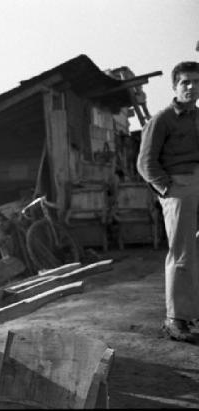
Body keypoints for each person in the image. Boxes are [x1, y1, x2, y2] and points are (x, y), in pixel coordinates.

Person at [137, 61, 199, 343]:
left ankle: (192, 313)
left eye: (196, 82)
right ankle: (176, 319)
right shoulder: (162, 120)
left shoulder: (198, 117)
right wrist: (168, 189)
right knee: (182, 253)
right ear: (175, 86)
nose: (191, 87)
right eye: (185, 82)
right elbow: (145, 162)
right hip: (178, 187)